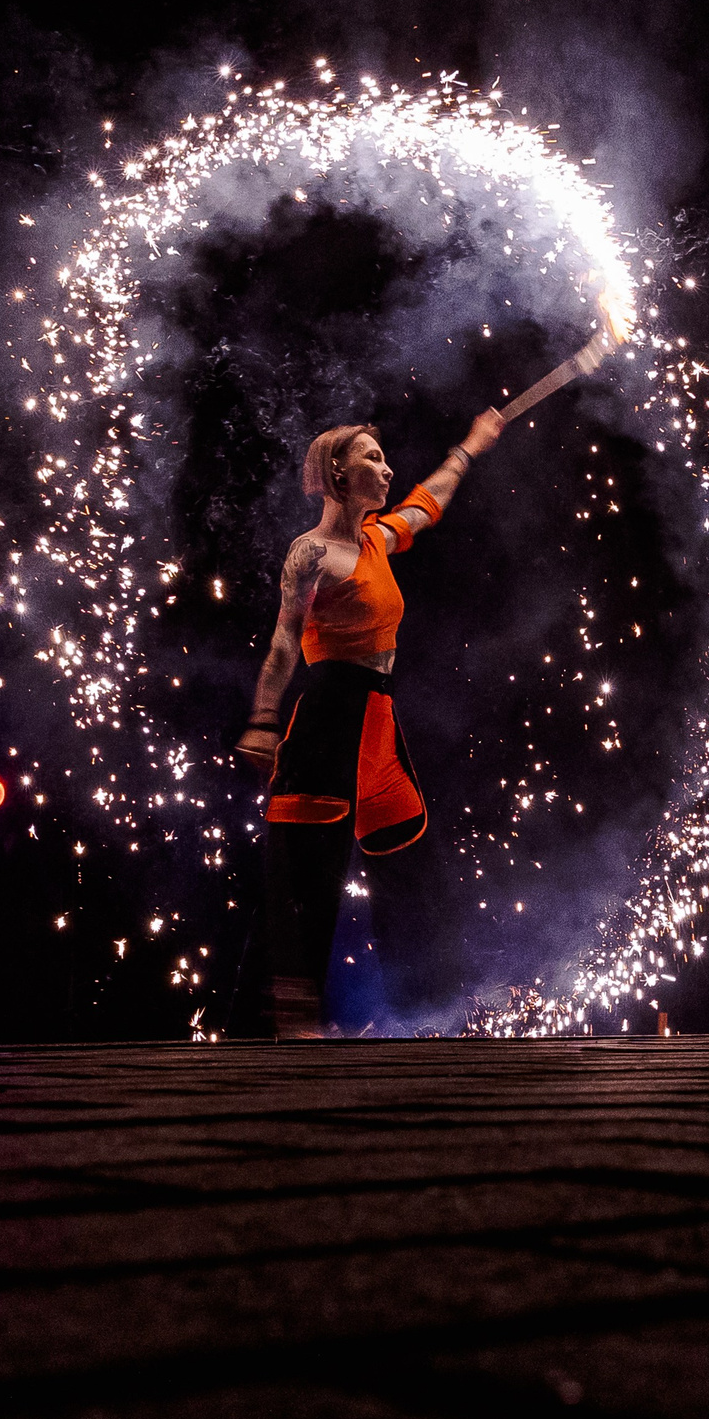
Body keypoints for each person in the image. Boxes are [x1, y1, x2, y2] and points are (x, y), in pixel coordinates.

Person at [232, 408, 505, 1036]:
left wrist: (469, 445)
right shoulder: (311, 554)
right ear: (338, 471)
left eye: (384, 459)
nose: (387, 469)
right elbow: (282, 644)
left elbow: (426, 502)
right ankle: (280, 1029)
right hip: (329, 719)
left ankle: (427, 1012)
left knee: (409, 856)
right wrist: (265, 719)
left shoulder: (378, 539)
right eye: (371, 459)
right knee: (307, 875)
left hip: (376, 721)